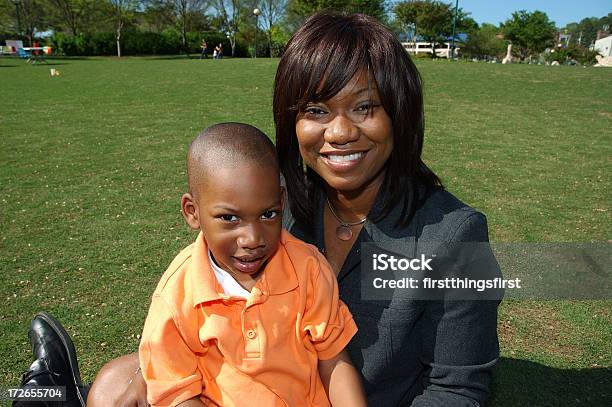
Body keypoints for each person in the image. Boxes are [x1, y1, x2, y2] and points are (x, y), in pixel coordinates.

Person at [16, 12, 500, 407]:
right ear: (291, 121)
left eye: (364, 107)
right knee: (118, 384)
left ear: (400, 112)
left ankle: (54, 389)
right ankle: (55, 388)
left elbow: (458, 390)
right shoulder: (279, 205)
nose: (339, 132)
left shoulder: (457, 235)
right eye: (315, 111)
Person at [140, 122, 365, 406]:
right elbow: (177, 394)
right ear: (192, 212)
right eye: (229, 218)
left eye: (268, 214)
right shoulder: (177, 295)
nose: (252, 238)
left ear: (282, 202)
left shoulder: (308, 268)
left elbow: (333, 360)